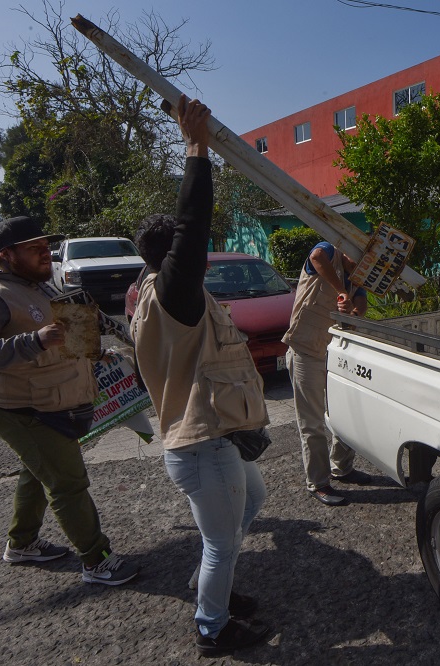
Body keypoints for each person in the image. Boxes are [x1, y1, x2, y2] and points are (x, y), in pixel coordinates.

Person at [130, 95, 272, 658]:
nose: (204, 253)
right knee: (220, 544)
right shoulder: (172, 295)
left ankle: (208, 586)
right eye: (192, 253)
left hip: (216, 441)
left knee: (253, 503)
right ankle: (212, 626)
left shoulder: (159, 293)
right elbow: (192, 227)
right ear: (173, 260)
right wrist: (196, 149)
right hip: (201, 446)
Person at [0, 216, 138, 587]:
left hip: (52, 402)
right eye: (33, 248)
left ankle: (22, 544)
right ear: (5, 255)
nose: (44, 253)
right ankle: (97, 561)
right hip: (21, 408)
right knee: (67, 483)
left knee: (37, 472)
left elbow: (64, 337)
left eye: (45, 246)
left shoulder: (39, 286)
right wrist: (34, 341)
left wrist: (96, 353)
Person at [282, 241, 373, 506]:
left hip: (335, 353)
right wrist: (342, 292)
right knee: (312, 423)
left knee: (346, 415)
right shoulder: (329, 251)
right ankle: (319, 482)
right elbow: (317, 256)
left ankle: (342, 468)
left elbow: (360, 305)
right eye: (356, 259)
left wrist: (353, 310)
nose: (359, 266)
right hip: (305, 349)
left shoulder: (358, 276)